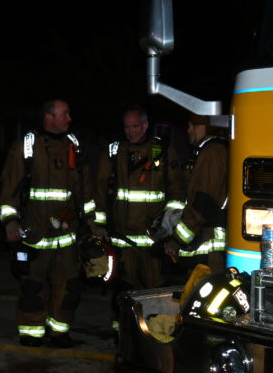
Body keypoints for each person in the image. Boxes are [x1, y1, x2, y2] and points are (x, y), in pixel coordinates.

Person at [0, 99, 95, 348]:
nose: (70, 118)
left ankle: (60, 332)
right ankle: (32, 332)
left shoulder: (74, 146)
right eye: (65, 114)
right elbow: (8, 191)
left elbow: (85, 191)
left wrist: (92, 223)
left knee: (69, 287)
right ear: (49, 117)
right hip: (34, 234)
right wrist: (10, 222)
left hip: (67, 236)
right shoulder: (27, 146)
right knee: (32, 287)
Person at [94, 105, 184, 332]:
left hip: (153, 242)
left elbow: (177, 193)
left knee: (157, 292)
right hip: (122, 240)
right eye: (126, 127)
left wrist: (165, 227)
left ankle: (156, 336)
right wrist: (99, 224)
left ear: (145, 125)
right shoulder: (114, 152)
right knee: (123, 291)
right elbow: (99, 191)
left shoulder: (163, 152)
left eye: (135, 126)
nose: (130, 132)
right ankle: (122, 335)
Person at [169, 112, 228, 275]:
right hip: (206, 243)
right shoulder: (211, 150)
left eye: (193, 125)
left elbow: (202, 202)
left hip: (210, 250)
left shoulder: (212, 152)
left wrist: (177, 241)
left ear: (208, 126)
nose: (189, 130)